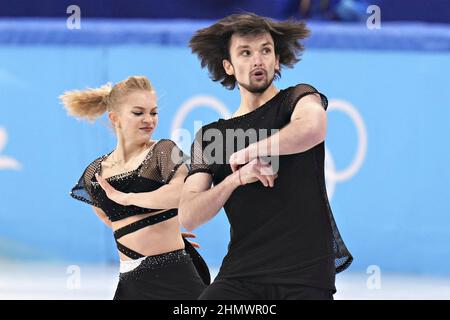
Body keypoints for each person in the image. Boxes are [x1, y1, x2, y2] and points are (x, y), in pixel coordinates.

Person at [179, 13, 352, 300]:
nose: (257, 60)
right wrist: (234, 179)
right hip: (241, 275)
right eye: (245, 53)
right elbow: (189, 215)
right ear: (229, 66)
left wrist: (253, 149)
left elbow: (313, 128)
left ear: (277, 61)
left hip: (304, 274)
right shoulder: (212, 136)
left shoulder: (297, 98)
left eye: (265, 50)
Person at [60, 75, 209, 300]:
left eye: (154, 112)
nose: (148, 119)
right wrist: (148, 226)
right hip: (130, 281)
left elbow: (182, 192)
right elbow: (105, 212)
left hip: (174, 276)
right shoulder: (96, 172)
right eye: (138, 113)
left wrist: (130, 199)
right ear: (115, 118)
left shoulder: (163, 151)